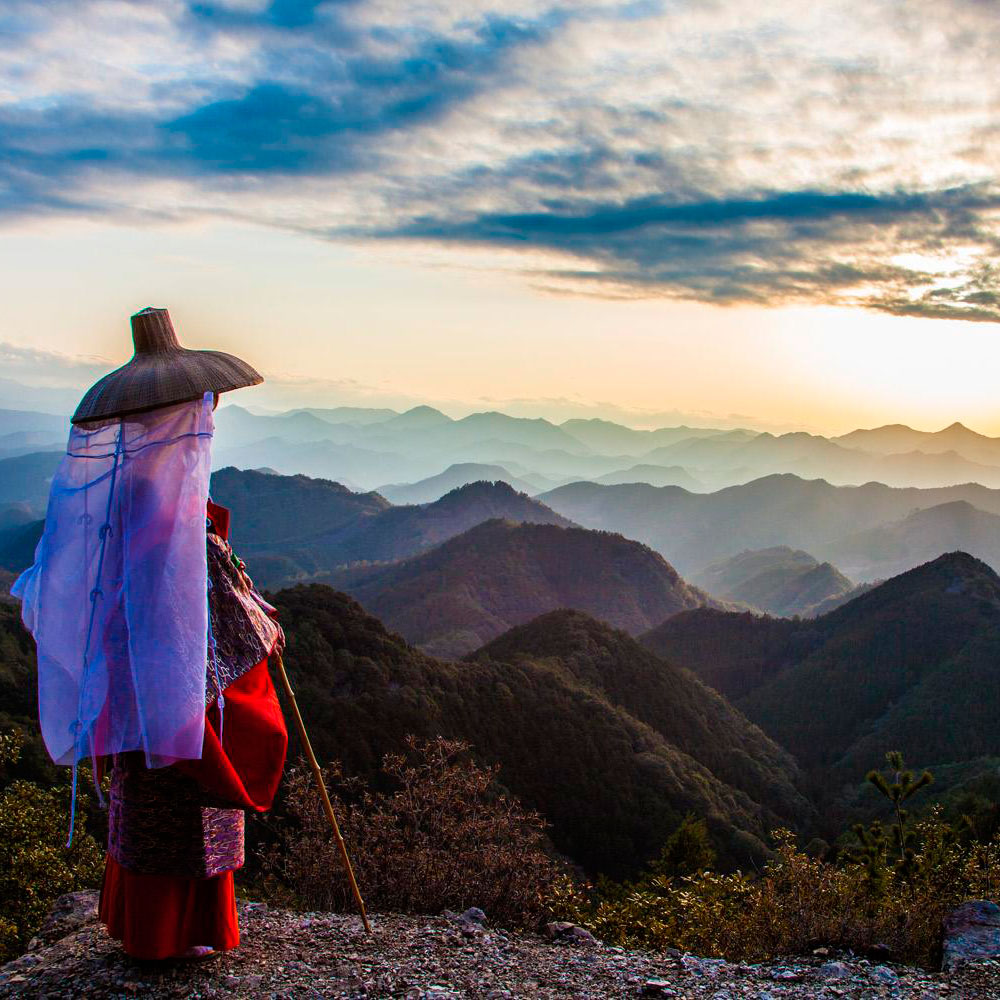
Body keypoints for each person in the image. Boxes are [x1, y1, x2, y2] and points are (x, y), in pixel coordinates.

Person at [13, 306, 288, 960]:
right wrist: (264, 624)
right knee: (184, 808)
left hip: (131, 686)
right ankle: (182, 935)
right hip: (177, 694)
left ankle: (143, 928)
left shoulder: (120, 499)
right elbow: (222, 626)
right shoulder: (173, 519)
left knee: (144, 802)